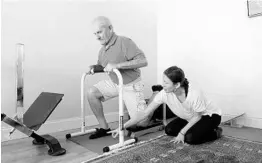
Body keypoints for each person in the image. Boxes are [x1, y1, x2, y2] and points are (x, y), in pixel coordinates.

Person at [110, 65, 222, 145]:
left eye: (166, 83)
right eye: (163, 81)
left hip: (208, 116)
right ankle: (197, 131)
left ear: (177, 84)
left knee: (190, 138)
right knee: (169, 130)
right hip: (189, 118)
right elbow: (144, 113)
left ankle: (216, 132)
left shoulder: (194, 93)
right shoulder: (164, 93)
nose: (163, 85)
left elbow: (198, 116)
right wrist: (122, 126)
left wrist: (182, 133)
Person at [86, 16, 150, 139]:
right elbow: (103, 66)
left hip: (132, 85)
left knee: (142, 122)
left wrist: (118, 65)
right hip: (116, 83)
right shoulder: (102, 50)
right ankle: (104, 128)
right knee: (91, 93)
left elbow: (143, 61)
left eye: (99, 32)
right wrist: (94, 67)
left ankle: (155, 97)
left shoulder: (124, 42)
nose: (97, 37)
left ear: (110, 28)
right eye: (95, 34)